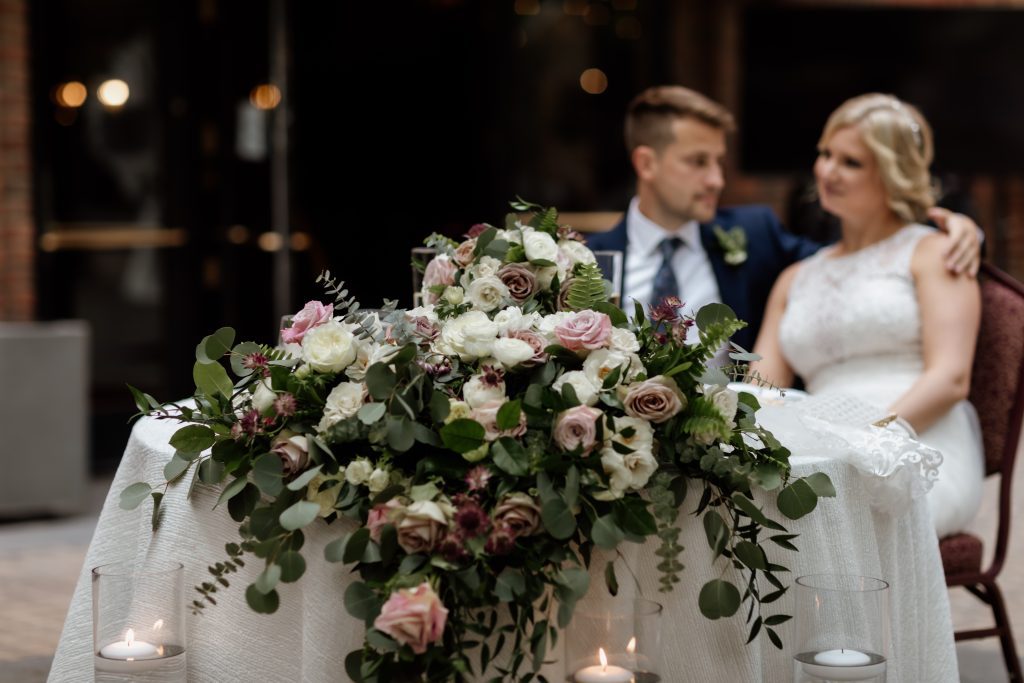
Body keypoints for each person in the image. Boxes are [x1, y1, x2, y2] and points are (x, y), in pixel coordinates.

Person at [585, 85, 981, 351]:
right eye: (698, 162)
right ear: (646, 163)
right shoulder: (587, 262)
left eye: (719, 162)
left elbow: (860, 262)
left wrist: (957, 231)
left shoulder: (755, 233)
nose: (717, 180)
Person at [751, 93, 984, 537]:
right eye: (825, 154)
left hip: (917, 437)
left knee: (827, 521)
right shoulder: (795, 278)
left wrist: (865, 439)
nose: (827, 171)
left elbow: (951, 378)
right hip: (819, 446)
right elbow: (764, 390)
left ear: (892, 173)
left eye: (851, 162)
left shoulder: (935, 253)